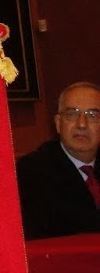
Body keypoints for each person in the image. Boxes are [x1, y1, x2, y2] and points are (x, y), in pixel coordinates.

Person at [15, 81, 100, 239]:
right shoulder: (32, 171)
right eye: (72, 114)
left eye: (93, 115)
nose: (82, 124)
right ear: (58, 124)